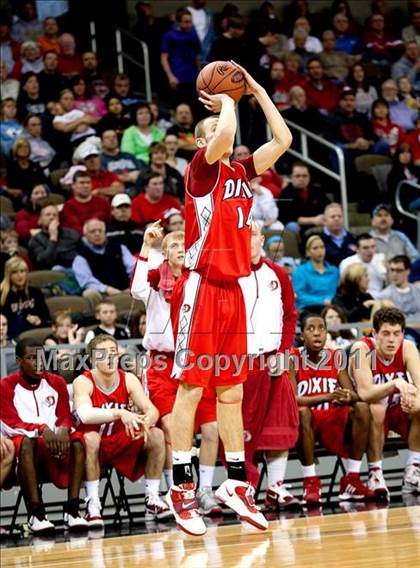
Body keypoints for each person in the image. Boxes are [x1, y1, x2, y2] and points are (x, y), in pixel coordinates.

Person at [165, 61, 292, 536]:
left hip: (233, 290)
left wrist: (256, 90)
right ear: (202, 141)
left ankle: (236, 484)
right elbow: (222, 136)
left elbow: (282, 142)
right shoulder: (201, 170)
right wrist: (228, 104)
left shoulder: (241, 171)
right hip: (201, 286)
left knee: (231, 391)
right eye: (215, 126)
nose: (224, 130)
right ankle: (181, 488)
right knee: (192, 388)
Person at [130, 224, 220, 514]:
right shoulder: (156, 282)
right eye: (174, 245)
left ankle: (205, 490)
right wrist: (147, 245)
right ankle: (182, 489)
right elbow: (136, 288)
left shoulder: (199, 282)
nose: (180, 249)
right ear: (164, 254)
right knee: (170, 425)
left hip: (196, 360)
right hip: (161, 362)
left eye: (185, 245)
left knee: (212, 428)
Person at [73, 334, 170, 526]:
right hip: (94, 445)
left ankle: (152, 497)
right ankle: (92, 504)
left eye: (112, 353)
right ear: (92, 359)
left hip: (120, 440)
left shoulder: (129, 379)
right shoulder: (83, 381)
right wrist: (120, 413)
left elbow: (152, 410)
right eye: (102, 354)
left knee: (157, 434)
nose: (109, 358)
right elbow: (84, 415)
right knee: (91, 438)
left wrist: (146, 421)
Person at [0, 338, 88, 532]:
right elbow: (10, 423)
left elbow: (64, 415)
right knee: (25, 443)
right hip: (25, 446)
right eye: (32, 358)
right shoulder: (6, 385)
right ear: (19, 361)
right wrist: (41, 429)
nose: (39, 362)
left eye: (41, 357)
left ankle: (73, 510)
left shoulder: (56, 382)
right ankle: (36, 513)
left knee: (78, 442)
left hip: (54, 442)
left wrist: (64, 428)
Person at [239, 222, 298, 506]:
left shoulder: (277, 274)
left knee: (280, 424)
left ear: (261, 238)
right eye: (242, 234)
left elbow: (290, 316)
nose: (247, 240)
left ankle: (276, 486)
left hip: (273, 359)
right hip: (241, 362)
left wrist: (284, 352)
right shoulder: (230, 274)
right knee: (244, 427)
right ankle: (245, 488)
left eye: (251, 235)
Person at [292, 314, 373, 504]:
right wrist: (327, 396)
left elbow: (352, 394)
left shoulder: (336, 357)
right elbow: (293, 400)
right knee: (302, 413)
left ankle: (351, 479)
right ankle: (310, 481)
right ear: (302, 335)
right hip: (308, 422)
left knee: (361, 407)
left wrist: (347, 397)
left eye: (321, 328)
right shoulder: (292, 358)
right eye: (311, 329)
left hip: (334, 419)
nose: (317, 333)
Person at [350, 307, 420, 497]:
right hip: (362, 416)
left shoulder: (408, 347)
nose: (391, 339)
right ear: (374, 333)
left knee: (418, 406)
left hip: (396, 409)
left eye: (397, 334)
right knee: (377, 407)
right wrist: (396, 384)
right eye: (386, 333)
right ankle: (375, 474)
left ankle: (413, 469)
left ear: (403, 334)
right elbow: (365, 393)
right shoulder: (361, 348)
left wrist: (415, 400)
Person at [72, 218, 135, 307]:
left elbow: (134, 269)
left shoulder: (120, 248)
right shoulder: (80, 257)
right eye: (93, 231)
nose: (97, 234)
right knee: (89, 293)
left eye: (100, 231)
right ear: (85, 235)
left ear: (105, 232)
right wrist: (107, 289)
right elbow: (87, 281)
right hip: (102, 293)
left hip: (125, 289)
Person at [160, 8, 201, 110]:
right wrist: (170, 76)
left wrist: (200, 75)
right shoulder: (169, 35)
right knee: (178, 107)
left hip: (192, 76)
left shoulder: (193, 35)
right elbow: (164, 58)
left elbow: (196, 56)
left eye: (190, 22)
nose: (189, 24)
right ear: (178, 22)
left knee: (193, 107)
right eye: (186, 22)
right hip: (176, 76)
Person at [0, 257, 49, 339]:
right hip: (11, 336)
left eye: (22, 271)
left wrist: (39, 320)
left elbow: (46, 318)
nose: (20, 276)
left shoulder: (35, 292)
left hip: (34, 333)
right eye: (15, 272)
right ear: (9, 275)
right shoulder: (2, 294)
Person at [278, 161, 330, 235]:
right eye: (297, 176)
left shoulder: (317, 190)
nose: (301, 179)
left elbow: (328, 206)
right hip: (298, 227)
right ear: (291, 177)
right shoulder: (285, 194)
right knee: (292, 226)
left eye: (304, 176)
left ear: (309, 177)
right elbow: (287, 218)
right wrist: (313, 220)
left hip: (318, 223)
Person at [292, 235, 339, 314]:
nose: (320, 251)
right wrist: (322, 301)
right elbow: (299, 295)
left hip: (332, 308)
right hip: (308, 308)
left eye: (322, 247)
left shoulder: (334, 271)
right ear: (307, 252)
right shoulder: (300, 271)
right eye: (315, 248)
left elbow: (337, 292)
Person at [28, 201, 80, 270]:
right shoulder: (35, 241)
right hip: (53, 274)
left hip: (76, 269)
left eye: (55, 215)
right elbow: (44, 263)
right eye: (48, 215)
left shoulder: (72, 234)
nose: (52, 217)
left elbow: (83, 256)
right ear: (40, 220)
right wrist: (53, 238)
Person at [61, 170, 111, 235]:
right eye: (82, 183)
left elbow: (110, 224)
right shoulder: (69, 206)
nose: (86, 186)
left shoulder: (103, 203)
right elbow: (74, 228)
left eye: (88, 182)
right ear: (73, 186)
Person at [339, 233, 386, 298]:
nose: (370, 251)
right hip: (357, 298)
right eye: (365, 248)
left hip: (381, 297)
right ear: (357, 249)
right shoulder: (347, 263)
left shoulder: (381, 259)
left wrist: (388, 269)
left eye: (373, 246)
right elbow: (347, 287)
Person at [377, 256, 420, 324]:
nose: (394, 274)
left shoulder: (418, 291)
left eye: (399, 270)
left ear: (407, 271)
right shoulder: (384, 296)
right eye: (392, 270)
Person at [6, 138, 47, 203]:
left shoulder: (35, 165)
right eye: (20, 147)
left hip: (37, 193)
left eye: (26, 147)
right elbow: (12, 187)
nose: (24, 149)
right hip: (20, 197)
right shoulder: (11, 166)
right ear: (16, 150)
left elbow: (42, 181)